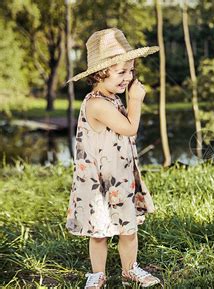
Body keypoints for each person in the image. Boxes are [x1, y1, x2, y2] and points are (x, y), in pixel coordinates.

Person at [65, 28, 161, 288]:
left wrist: (127, 97)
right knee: (99, 232)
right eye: (121, 72)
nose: (128, 77)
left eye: (130, 71)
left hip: (120, 178)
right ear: (99, 73)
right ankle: (97, 274)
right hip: (98, 182)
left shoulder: (112, 98)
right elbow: (130, 128)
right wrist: (136, 100)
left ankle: (130, 269)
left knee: (128, 229)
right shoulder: (97, 104)